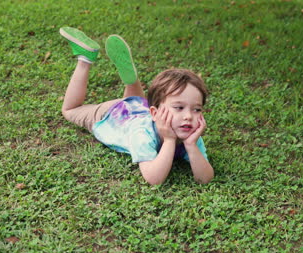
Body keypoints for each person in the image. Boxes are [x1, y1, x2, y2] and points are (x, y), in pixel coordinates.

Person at [59, 27, 214, 185]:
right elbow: (154, 179)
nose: (189, 116)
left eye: (197, 109)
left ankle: (131, 80)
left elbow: (205, 178)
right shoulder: (143, 135)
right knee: (70, 110)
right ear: (155, 113)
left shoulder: (188, 133)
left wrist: (191, 145)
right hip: (113, 115)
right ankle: (85, 59)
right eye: (179, 108)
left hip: (140, 107)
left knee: (137, 101)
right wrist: (168, 140)